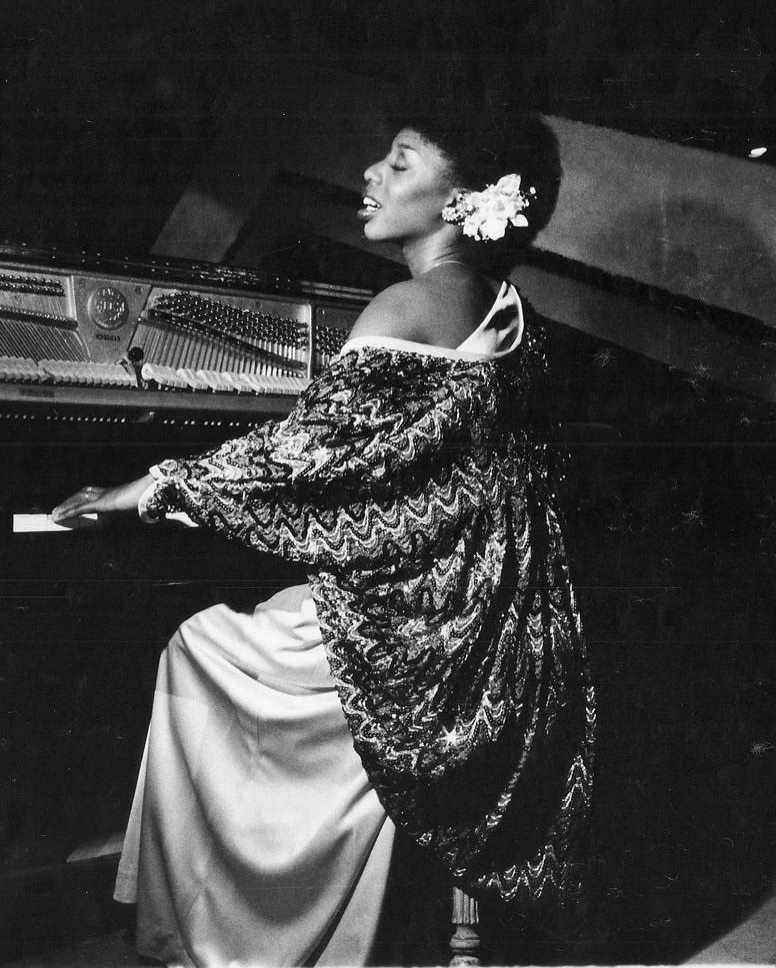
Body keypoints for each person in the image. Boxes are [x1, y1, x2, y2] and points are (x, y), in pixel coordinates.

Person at [51, 102, 595, 967]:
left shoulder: (404, 304)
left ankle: (231, 930)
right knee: (268, 610)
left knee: (197, 644)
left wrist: (141, 490)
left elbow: (296, 461)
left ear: (462, 200)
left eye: (401, 162)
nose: (370, 174)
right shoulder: (511, 314)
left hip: (421, 652)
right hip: (503, 638)